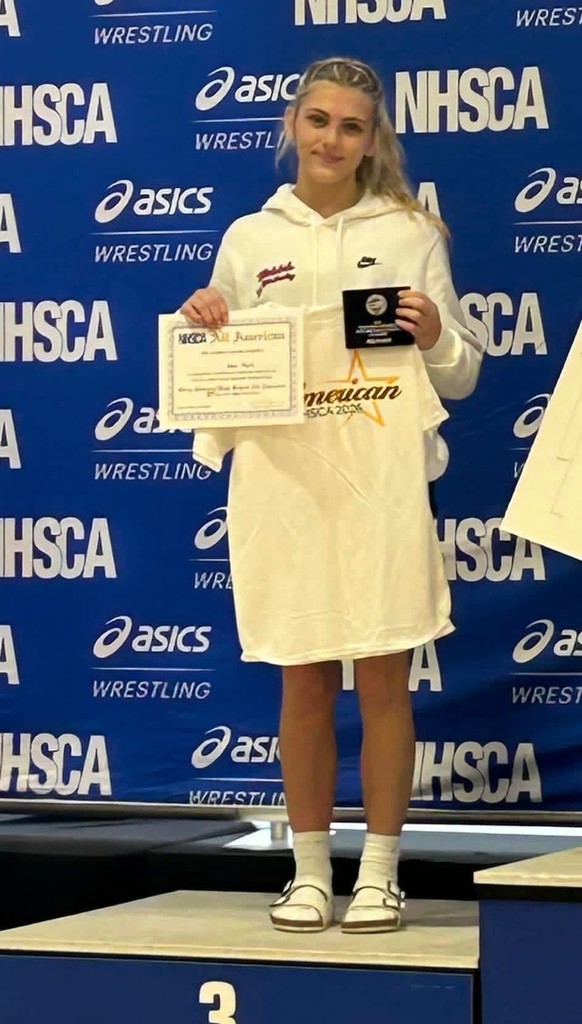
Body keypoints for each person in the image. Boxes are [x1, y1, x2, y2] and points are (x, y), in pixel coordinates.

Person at [180, 56, 483, 935]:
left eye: (351, 126)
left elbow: (461, 374)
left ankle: (381, 873)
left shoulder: (410, 230)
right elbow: (215, 366)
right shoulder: (249, 237)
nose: (332, 140)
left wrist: (432, 335)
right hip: (284, 486)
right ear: (294, 125)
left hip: (381, 482)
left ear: (371, 138)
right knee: (303, 683)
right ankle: (310, 872)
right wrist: (207, 320)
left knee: (386, 675)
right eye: (319, 121)